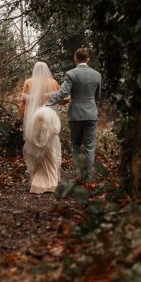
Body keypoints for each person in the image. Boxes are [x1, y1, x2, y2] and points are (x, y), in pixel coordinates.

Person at [46, 48, 102, 186]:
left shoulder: (72, 74)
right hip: (91, 114)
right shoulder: (97, 75)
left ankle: (79, 176)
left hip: (76, 115)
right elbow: (98, 97)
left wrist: (47, 104)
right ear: (88, 59)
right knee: (89, 147)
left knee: (76, 145)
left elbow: (63, 93)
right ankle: (88, 179)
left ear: (75, 59)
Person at [20, 61, 62, 194]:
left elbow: (24, 102)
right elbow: (60, 99)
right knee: (50, 147)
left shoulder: (28, 82)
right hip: (49, 117)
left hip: (35, 118)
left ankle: (38, 182)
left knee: (36, 148)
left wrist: (21, 118)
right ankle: (52, 182)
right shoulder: (53, 82)